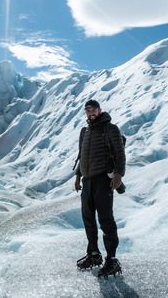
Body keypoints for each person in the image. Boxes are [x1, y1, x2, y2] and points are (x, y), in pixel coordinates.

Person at [74, 99, 126, 278]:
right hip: (87, 180)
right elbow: (82, 155)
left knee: (105, 219)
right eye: (87, 110)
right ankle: (94, 254)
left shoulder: (111, 129)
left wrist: (118, 175)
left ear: (99, 109)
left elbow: (120, 154)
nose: (90, 112)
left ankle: (112, 259)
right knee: (88, 217)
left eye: (93, 109)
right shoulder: (85, 131)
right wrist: (78, 176)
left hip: (103, 180)